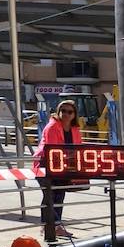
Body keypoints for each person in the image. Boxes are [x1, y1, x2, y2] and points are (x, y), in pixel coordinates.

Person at [33, 100, 82, 238]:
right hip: (45, 165)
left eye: (70, 112)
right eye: (63, 111)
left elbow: (78, 147)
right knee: (49, 196)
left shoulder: (75, 129)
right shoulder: (52, 127)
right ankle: (47, 226)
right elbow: (53, 149)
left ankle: (57, 226)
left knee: (59, 196)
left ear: (74, 114)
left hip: (64, 166)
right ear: (59, 112)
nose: (66, 114)